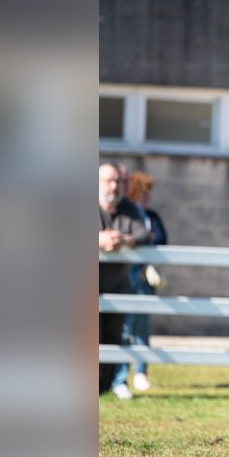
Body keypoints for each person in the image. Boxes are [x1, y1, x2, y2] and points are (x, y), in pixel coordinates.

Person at [99, 162, 151, 399]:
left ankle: (112, 384)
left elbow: (145, 235)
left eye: (117, 181)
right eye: (109, 181)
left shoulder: (129, 209)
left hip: (118, 287)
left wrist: (125, 240)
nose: (114, 186)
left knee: (116, 336)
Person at [113, 172, 168, 394]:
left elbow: (160, 238)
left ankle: (141, 372)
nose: (147, 198)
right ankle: (120, 376)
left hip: (146, 277)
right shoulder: (127, 214)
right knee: (125, 327)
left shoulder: (151, 216)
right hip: (127, 275)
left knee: (142, 327)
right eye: (143, 194)